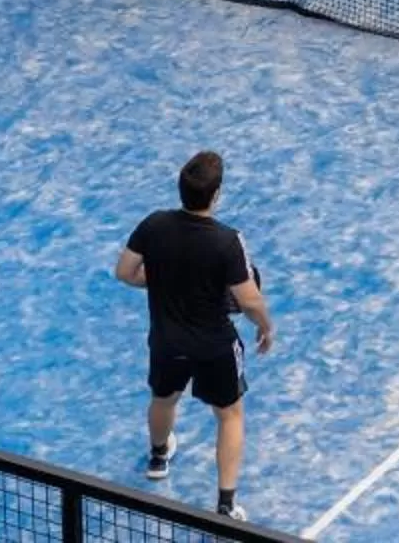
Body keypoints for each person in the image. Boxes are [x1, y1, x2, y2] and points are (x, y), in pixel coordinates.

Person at [115, 148, 274, 522]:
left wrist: (161, 282)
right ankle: (225, 504)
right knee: (230, 415)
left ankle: (158, 457)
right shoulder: (227, 241)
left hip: (167, 342)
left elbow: (124, 271)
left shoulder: (153, 225)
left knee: (163, 398)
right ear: (215, 196)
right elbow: (249, 299)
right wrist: (265, 326)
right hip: (214, 347)